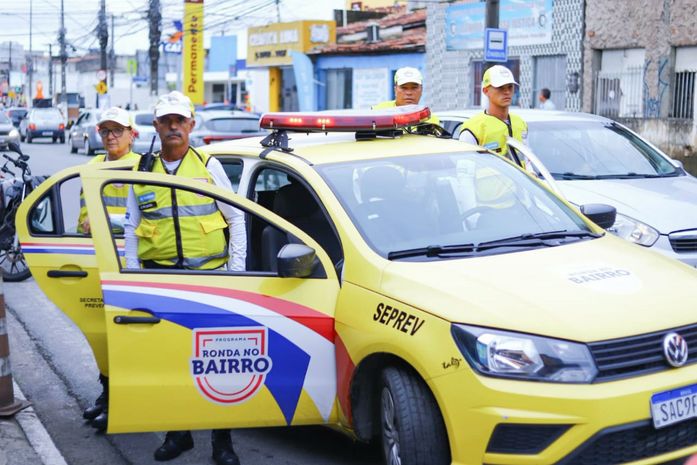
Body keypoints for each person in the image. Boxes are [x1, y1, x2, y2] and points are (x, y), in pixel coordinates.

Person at [124, 91, 245, 465]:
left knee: (216, 365)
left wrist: (235, 275)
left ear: (191, 124)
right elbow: (132, 226)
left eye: (180, 120)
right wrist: (131, 279)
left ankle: (221, 443)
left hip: (209, 281)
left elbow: (236, 217)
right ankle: (179, 435)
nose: (173, 127)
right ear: (156, 126)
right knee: (171, 363)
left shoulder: (209, 165)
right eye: (166, 121)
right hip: (161, 281)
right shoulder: (142, 171)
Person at [78, 107, 141, 433]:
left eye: (118, 130)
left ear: (133, 134)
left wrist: (109, 223)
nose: (111, 136)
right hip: (101, 263)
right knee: (104, 336)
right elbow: (83, 219)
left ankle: (124, 403)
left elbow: (147, 221)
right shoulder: (90, 169)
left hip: (134, 265)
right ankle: (107, 395)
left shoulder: (144, 167)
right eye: (106, 131)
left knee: (129, 339)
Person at [458, 65, 528, 166]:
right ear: (486, 91)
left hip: (519, 182)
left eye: (510, 87)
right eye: (500, 88)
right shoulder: (473, 128)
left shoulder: (520, 123)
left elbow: (526, 159)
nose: (507, 92)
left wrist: (531, 173)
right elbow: (464, 173)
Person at [372, 67, 440, 125]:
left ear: (421, 90)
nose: (409, 93)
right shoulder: (379, 112)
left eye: (414, 88)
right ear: (395, 90)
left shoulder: (430, 120)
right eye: (404, 88)